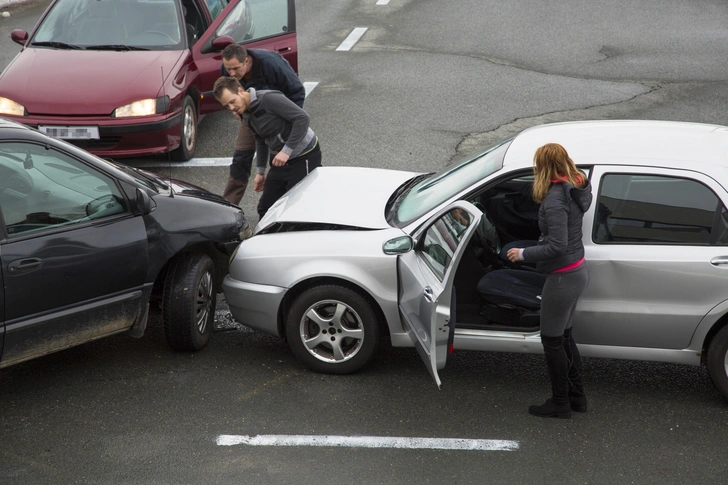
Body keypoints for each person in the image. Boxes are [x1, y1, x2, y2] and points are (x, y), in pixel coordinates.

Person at [506, 143, 592, 419]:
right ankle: (577, 397)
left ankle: (560, 402)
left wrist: (523, 254)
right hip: (576, 271)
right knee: (565, 337)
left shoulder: (556, 199)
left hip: (562, 278)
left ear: (543, 166)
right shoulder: (575, 187)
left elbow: (557, 245)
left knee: (552, 340)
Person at [213, 76, 322, 218]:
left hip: (304, 155)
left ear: (240, 90)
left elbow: (303, 118)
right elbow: (260, 138)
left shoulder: (268, 99)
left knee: (297, 207)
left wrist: (286, 151)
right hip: (280, 159)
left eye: (232, 102)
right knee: (266, 208)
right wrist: (260, 172)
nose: (232, 108)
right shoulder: (245, 112)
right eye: (227, 106)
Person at [219, 44, 306, 205]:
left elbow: (297, 92)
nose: (231, 74)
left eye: (236, 69)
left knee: (280, 162)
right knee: (240, 159)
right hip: (250, 117)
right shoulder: (228, 69)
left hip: (278, 116)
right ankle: (228, 207)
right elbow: (228, 93)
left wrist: (286, 123)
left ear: (246, 61)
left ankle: (289, 205)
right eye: (228, 69)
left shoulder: (272, 64)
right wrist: (238, 112)